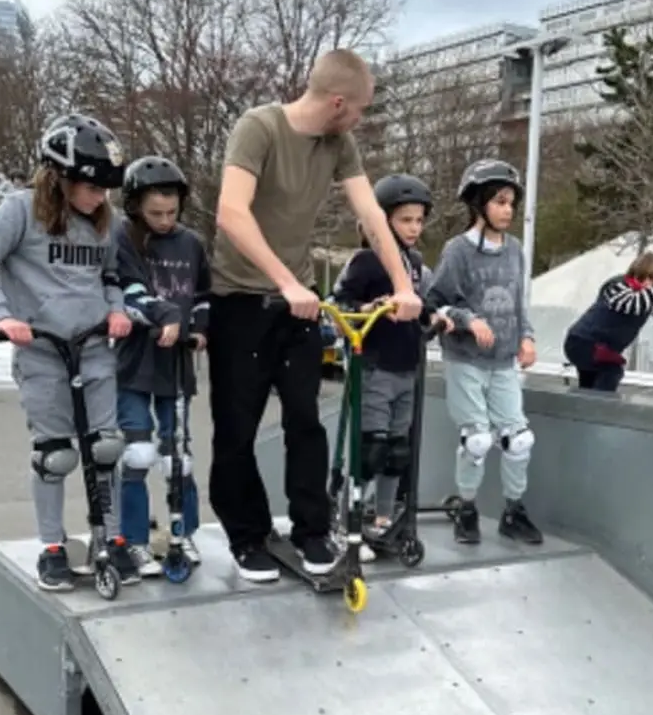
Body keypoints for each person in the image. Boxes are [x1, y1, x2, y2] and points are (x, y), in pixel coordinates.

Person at [209, 48, 424, 584]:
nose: (360, 120)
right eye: (359, 110)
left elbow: (371, 214)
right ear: (336, 102)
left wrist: (402, 285)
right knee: (236, 428)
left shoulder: (338, 143)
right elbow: (231, 210)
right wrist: (282, 280)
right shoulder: (258, 128)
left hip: (297, 304)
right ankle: (246, 533)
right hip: (240, 299)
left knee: (305, 419)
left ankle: (310, 529)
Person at [0, 113, 137, 591]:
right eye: (91, 187)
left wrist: (117, 310)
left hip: (96, 346)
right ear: (59, 177)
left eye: (105, 190)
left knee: (106, 449)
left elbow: (111, 276)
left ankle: (111, 540)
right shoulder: (20, 211)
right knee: (55, 455)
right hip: (41, 350)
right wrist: (1, 316)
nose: (100, 198)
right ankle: (52, 547)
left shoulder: (105, 222)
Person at [331, 174, 449, 560]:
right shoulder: (365, 261)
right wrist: (365, 309)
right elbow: (339, 303)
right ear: (381, 221)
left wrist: (438, 317)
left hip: (407, 368)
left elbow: (422, 303)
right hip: (375, 367)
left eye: (419, 220)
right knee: (372, 448)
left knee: (398, 450)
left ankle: (383, 519)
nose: (414, 228)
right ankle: (352, 518)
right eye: (405, 220)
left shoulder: (415, 264)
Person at [426, 159, 542, 546]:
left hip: (504, 362)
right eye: (499, 201)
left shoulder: (514, 251)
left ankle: (514, 511)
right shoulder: (456, 251)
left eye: (511, 202)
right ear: (478, 205)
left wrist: (527, 337)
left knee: (519, 438)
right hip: (466, 361)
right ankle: (467, 506)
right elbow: (435, 302)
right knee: (477, 439)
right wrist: (467, 319)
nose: (508, 209)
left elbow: (518, 304)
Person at [114, 155, 211, 577]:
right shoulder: (123, 238)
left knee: (179, 459)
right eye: (155, 213)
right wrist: (166, 314)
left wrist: (201, 327)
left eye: (172, 212)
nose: (165, 220)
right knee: (136, 454)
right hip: (135, 363)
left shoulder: (191, 243)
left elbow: (205, 294)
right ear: (135, 206)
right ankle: (132, 541)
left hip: (177, 365)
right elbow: (130, 292)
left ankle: (182, 533)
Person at [563, 251, 653, 392]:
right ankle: (599, 405)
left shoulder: (646, 297)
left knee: (591, 381)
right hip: (582, 342)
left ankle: (583, 404)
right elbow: (632, 304)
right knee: (612, 371)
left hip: (599, 347)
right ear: (646, 276)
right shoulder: (618, 287)